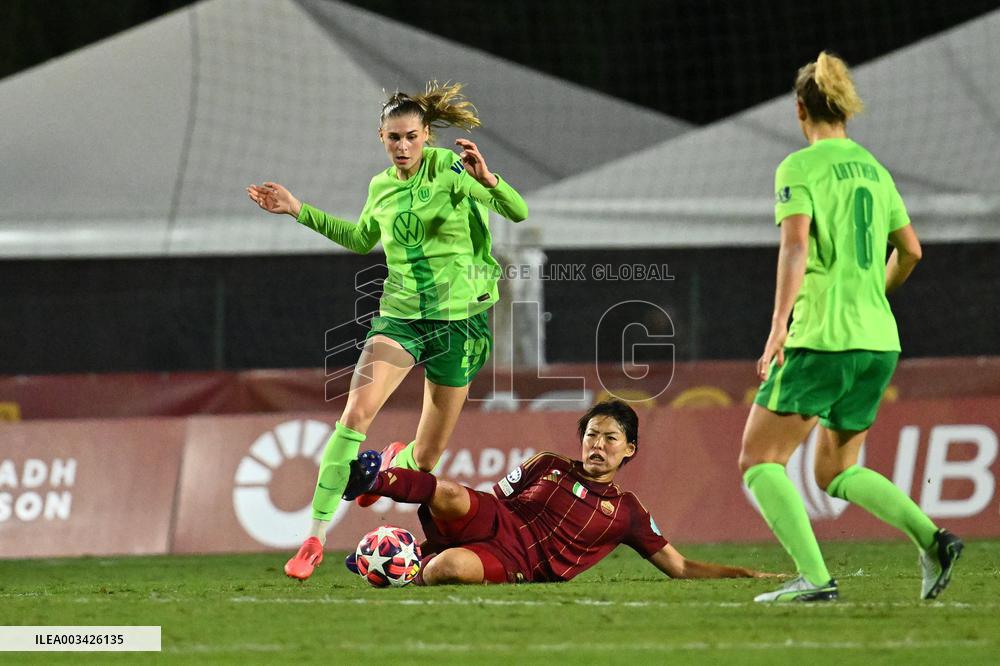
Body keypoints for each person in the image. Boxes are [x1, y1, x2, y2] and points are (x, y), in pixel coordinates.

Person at [247, 82, 529, 580]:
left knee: (426, 458)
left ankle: (396, 459)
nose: (403, 146)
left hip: (461, 324)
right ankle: (313, 538)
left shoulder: (452, 169)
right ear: (381, 137)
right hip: (400, 317)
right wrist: (297, 209)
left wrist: (489, 180)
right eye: (394, 137)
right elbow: (361, 239)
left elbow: (518, 212)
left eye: (411, 137)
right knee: (355, 413)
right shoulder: (380, 187)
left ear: (426, 136)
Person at [738, 52, 962, 603]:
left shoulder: (799, 167)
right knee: (835, 470)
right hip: (878, 342)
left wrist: (778, 325)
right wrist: (874, 293)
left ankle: (815, 579)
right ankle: (933, 540)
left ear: (800, 110)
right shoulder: (875, 170)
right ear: (844, 109)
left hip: (823, 338)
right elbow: (911, 250)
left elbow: (795, 246)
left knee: (759, 460)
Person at [344, 400, 773, 585]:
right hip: (499, 517)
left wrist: (742, 575)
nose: (597, 445)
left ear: (629, 449)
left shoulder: (627, 512)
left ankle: (392, 564)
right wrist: (434, 536)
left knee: (448, 569)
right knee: (452, 494)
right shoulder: (548, 463)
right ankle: (372, 480)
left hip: (519, 562)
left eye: (610, 438)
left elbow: (679, 567)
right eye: (591, 435)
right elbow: (491, 504)